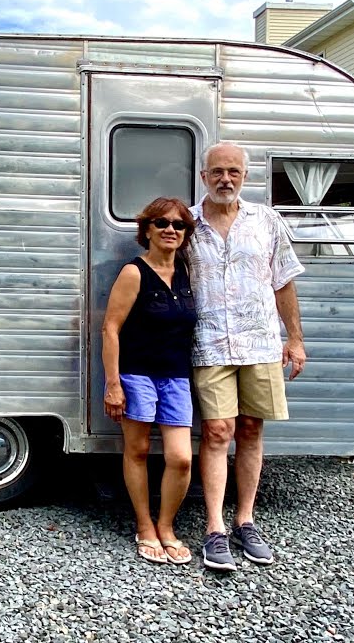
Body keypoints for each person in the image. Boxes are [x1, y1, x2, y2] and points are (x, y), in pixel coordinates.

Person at [187, 142, 306, 572]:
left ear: (245, 177)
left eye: (233, 171)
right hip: (210, 342)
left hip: (260, 341)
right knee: (218, 431)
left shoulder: (266, 221)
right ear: (204, 177)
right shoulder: (187, 223)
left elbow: (284, 283)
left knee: (252, 429)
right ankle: (214, 529)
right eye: (217, 171)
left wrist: (294, 339)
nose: (225, 179)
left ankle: (246, 520)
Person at [101, 197, 199, 565]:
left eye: (179, 225)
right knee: (138, 450)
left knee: (180, 458)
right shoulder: (134, 272)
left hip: (176, 377)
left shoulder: (188, 274)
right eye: (161, 223)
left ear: (186, 233)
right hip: (136, 374)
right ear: (147, 230)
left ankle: (167, 526)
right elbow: (110, 329)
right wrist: (113, 384)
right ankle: (145, 526)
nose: (170, 229)